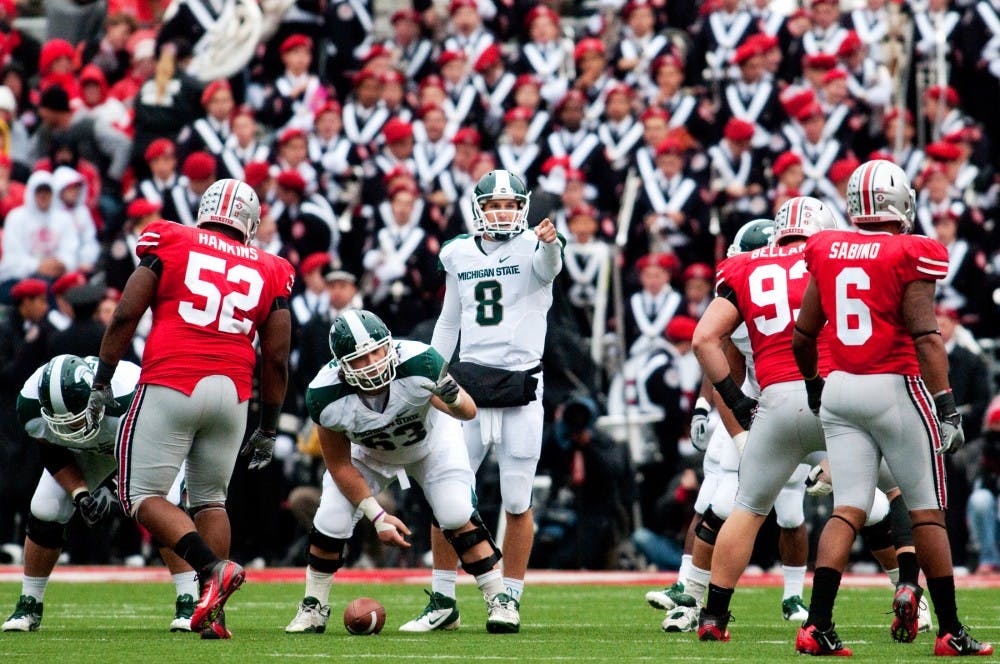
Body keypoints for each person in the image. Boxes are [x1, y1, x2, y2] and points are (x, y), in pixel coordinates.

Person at [791, 160, 992, 656]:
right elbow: (926, 335)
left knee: (846, 510)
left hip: (840, 387)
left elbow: (803, 334)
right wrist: (947, 405)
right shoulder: (911, 251)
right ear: (900, 202)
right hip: (894, 386)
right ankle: (949, 630)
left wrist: (818, 388)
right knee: (926, 514)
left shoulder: (827, 246)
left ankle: (817, 625)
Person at [86, 178, 295, 639]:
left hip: (173, 378)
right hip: (234, 395)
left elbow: (124, 313)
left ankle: (213, 569)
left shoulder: (173, 238)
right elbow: (277, 356)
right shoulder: (271, 266)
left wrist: (102, 379)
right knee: (210, 501)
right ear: (250, 223)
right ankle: (214, 615)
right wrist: (269, 427)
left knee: (139, 495)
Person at [285, 309, 517, 634]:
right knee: (330, 520)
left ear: (388, 346)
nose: (371, 363)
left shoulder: (420, 362)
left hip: (430, 442)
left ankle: (499, 599)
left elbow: (467, 412)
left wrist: (452, 395)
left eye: (376, 352)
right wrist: (377, 516)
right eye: (359, 359)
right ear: (341, 365)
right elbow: (339, 464)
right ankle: (313, 606)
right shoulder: (325, 395)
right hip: (369, 454)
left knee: (455, 511)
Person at [402, 169, 563, 633]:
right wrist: (430, 374)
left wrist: (551, 243)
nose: (502, 212)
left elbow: (550, 267)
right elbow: (448, 322)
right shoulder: (457, 253)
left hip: (520, 387)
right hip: (467, 389)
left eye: (510, 204)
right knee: (445, 493)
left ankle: (508, 598)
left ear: (523, 207)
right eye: (494, 204)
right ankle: (443, 598)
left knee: (516, 500)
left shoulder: (536, 245)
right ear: (478, 208)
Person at [690, 197, 837, 642]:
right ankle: (905, 588)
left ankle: (713, 616)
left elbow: (703, 339)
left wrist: (736, 404)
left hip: (772, 400)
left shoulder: (745, 266)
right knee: (869, 503)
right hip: (831, 397)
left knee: (747, 509)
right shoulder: (831, 258)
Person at [2, 354, 197, 633]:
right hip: (98, 444)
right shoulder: (31, 403)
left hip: (151, 440)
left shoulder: (129, 396)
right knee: (46, 508)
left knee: (165, 503)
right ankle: (29, 603)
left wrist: (111, 488)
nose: (70, 428)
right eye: (63, 421)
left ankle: (188, 600)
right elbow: (53, 452)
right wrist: (80, 493)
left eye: (76, 419)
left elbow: (142, 452)